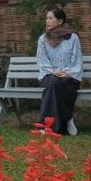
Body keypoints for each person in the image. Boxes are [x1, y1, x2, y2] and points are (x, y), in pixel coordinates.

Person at [36, 7, 82, 135]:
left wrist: (67, 72)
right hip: (49, 74)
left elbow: (76, 58)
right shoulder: (43, 39)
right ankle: (66, 117)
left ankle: (47, 127)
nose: (47, 21)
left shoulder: (72, 38)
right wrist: (52, 72)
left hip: (69, 75)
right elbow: (41, 60)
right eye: (46, 18)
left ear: (60, 21)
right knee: (53, 83)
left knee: (60, 84)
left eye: (50, 18)